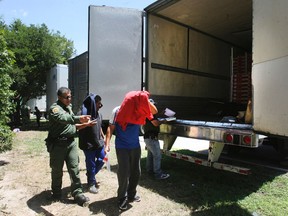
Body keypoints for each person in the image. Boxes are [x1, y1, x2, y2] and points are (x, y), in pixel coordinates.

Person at [105, 90, 158, 211]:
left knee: (136, 172)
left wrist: (143, 99)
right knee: (124, 173)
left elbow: (154, 111)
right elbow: (110, 127)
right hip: (122, 146)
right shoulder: (117, 111)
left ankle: (131, 194)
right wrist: (107, 144)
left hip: (135, 146)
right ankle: (121, 198)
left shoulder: (139, 110)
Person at [45, 87, 96, 206]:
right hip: (58, 145)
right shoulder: (55, 109)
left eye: (70, 96)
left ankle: (78, 193)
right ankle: (56, 193)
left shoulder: (68, 107)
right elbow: (64, 119)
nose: (69, 99)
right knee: (57, 170)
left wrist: (86, 125)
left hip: (71, 143)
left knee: (74, 169)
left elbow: (72, 127)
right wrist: (79, 118)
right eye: (66, 97)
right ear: (59, 97)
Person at [78, 94, 109, 194]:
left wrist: (103, 137)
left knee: (103, 158)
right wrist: (86, 124)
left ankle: (91, 175)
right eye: (99, 103)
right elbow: (76, 127)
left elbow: (99, 126)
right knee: (90, 164)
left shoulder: (99, 114)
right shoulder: (83, 114)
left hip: (99, 143)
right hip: (88, 144)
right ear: (92, 103)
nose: (100, 106)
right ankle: (91, 183)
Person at [143, 99, 170, 180]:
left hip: (148, 137)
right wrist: (164, 121)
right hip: (152, 138)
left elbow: (153, 120)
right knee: (157, 156)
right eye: (153, 105)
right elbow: (155, 123)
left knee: (150, 155)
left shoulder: (147, 114)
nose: (155, 107)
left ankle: (149, 171)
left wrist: (160, 114)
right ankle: (158, 174)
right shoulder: (150, 114)